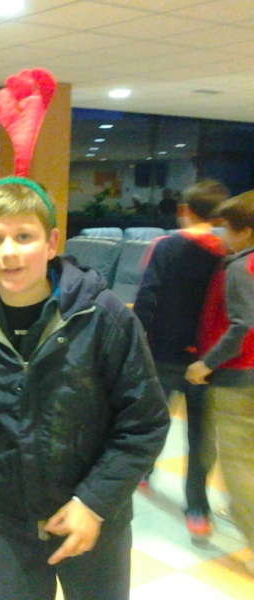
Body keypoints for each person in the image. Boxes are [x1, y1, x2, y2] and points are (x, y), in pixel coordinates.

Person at [0, 178, 170, 599]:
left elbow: (145, 423)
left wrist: (93, 503)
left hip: (93, 519)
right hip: (6, 523)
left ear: (52, 242)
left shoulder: (103, 317)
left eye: (24, 236)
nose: (9, 252)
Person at [133, 180, 229, 539]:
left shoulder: (165, 247)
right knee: (201, 436)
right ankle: (197, 508)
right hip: (209, 360)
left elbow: (147, 298)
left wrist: (138, 344)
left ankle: (143, 471)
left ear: (184, 211)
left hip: (164, 353)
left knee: (154, 420)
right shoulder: (226, 252)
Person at [186, 191, 254, 577]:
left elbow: (243, 326)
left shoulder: (240, 268)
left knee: (237, 465)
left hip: (239, 378)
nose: (222, 236)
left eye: (227, 228)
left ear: (246, 231)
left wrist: (205, 364)